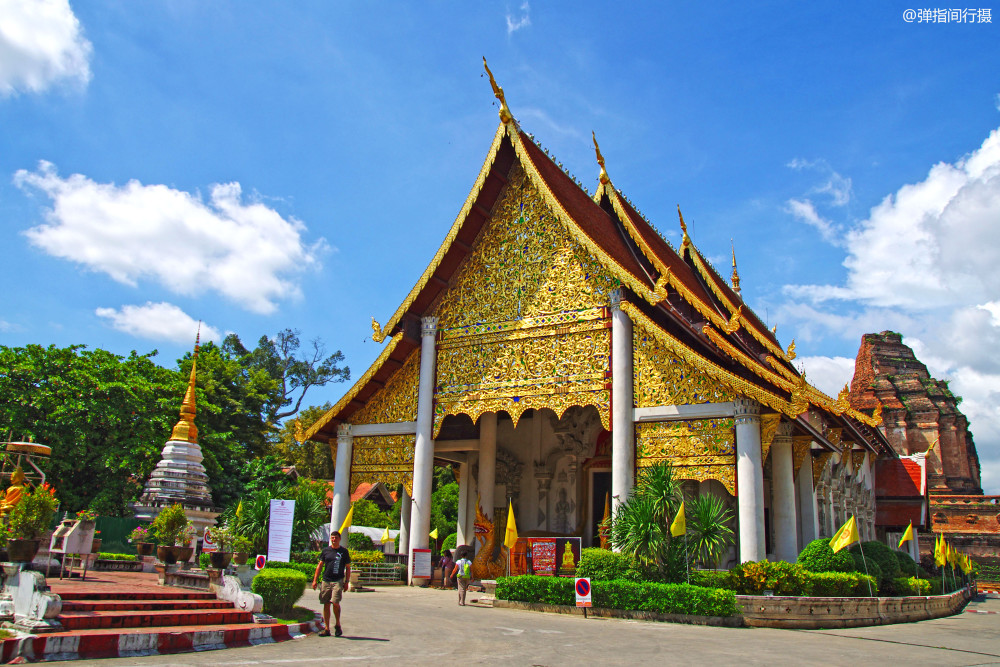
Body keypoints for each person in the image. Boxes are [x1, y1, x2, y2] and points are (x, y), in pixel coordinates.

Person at [312, 531, 351, 637]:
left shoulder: (344, 552)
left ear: (339, 539)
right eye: (332, 538)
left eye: (336, 538)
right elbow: (320, 565)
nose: (334, 540)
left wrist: (347, 582)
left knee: (335, 602)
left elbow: (348, 567)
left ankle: (337, 625)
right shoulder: (326, 551)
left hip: (338, 580)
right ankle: (327, 628)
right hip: (326, 580)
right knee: (326, 603)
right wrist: (315, 580)